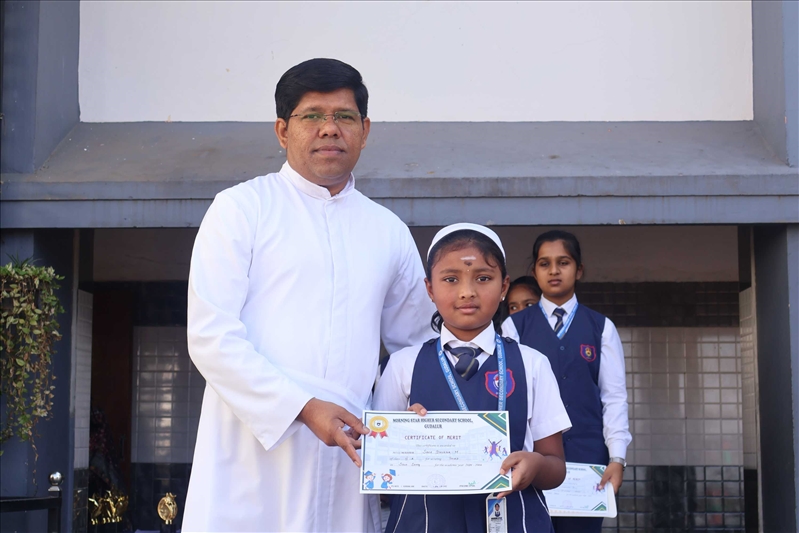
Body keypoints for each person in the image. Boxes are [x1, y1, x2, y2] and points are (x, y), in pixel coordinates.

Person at [183, 58, 435, 532]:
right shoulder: (241, 209)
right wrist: (302, 407)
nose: (329, 129)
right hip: (251, 457)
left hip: (348, 457)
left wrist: (418, 408)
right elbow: (211, 337)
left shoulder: (388, 231)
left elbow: (416, 349)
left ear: (365, 130)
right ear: (282, 130)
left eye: (344, 116)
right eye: (312, 116)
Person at [374, 223, 571, 532]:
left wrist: (536, 465)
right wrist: (403, 439)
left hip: (514, 522)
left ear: (504, 286)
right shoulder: (401, 366)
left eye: (483, 278)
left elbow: (556, 467)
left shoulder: (532, 364)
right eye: (451, 279)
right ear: (429, 289)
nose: (467, 291)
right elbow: (379, 473)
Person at [502, 230, 631, 533]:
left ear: (579, 269)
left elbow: (614, 398)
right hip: (533, 461)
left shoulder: (601, 327)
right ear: (535, 270)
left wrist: (617, 458)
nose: (554, 271)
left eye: (563, 262)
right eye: (544, 264)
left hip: (588, 463)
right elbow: (508, 398)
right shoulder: (514, 327)